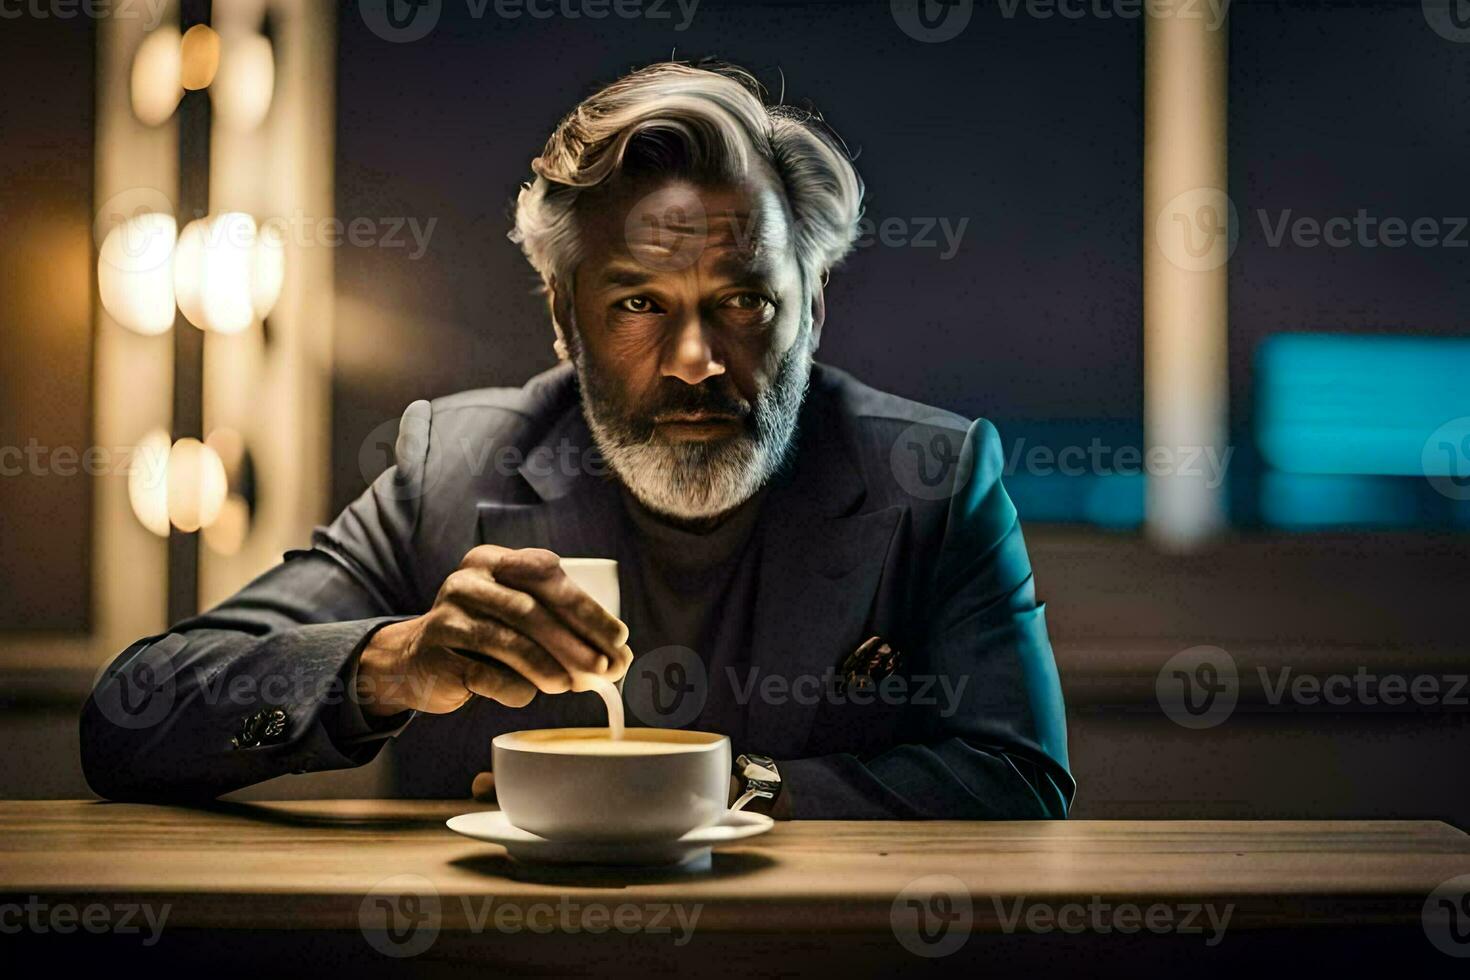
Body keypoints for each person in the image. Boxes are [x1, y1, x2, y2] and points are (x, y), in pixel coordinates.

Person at [81, 61, 1073, 820]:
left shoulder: (931, 479)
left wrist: (731, 784)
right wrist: (394, 660)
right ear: (564, 316)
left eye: (742, 301)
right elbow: (128, 714)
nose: (694, 357)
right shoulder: (450, 469)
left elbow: (1023, 779)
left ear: (812, 308)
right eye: (639, 301)